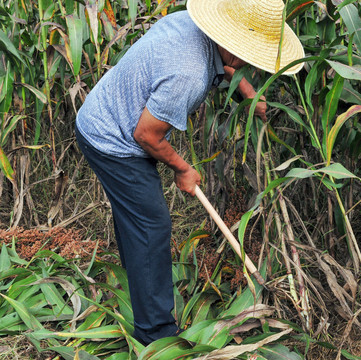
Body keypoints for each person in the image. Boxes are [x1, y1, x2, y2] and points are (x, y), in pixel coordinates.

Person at [75, 0, 304, 346]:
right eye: (247, 54)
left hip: (108, 112)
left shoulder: (194, 27)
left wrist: (247, 90)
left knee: (138, 221)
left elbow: (224, 64)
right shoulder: (189, 73)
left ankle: (140, 281)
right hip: (112, 139)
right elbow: (146, 134)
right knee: (152, 225)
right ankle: (158, 336)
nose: (249, 62)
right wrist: (183, 169)